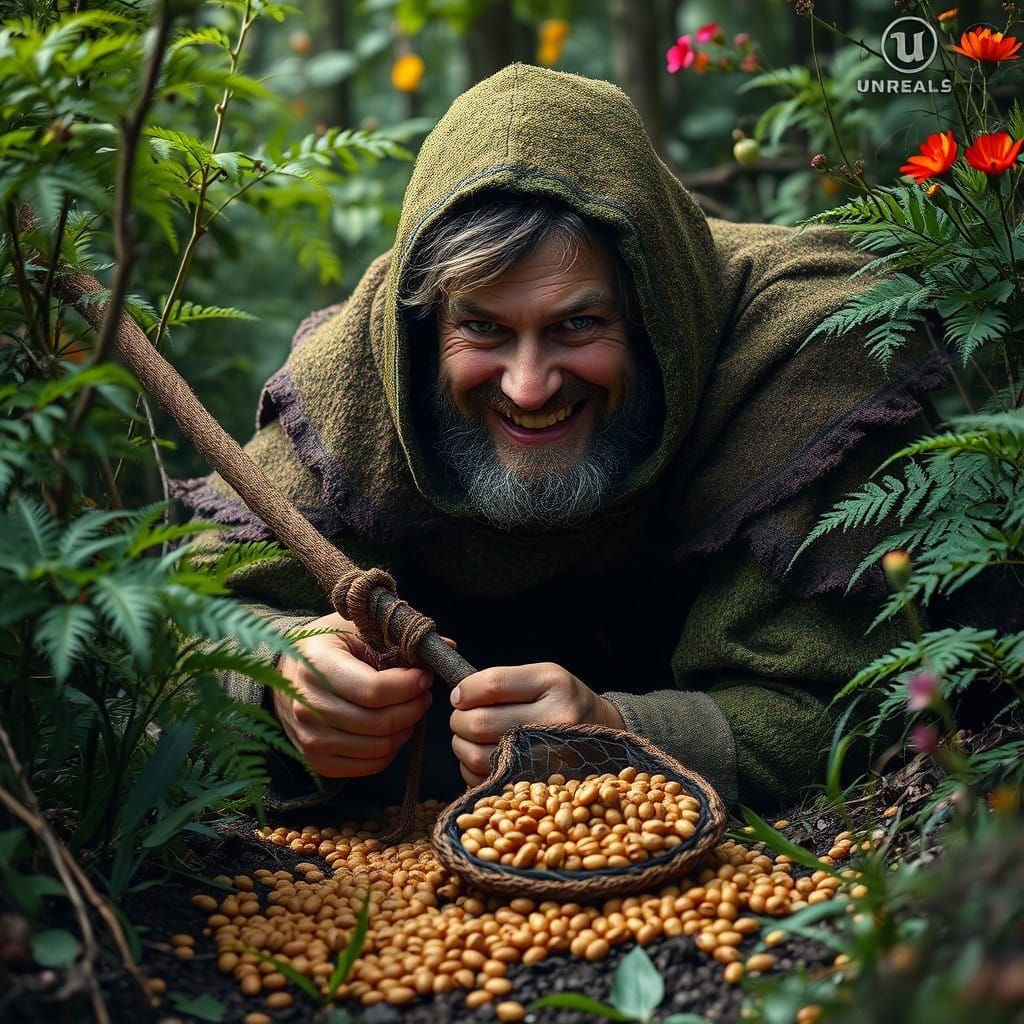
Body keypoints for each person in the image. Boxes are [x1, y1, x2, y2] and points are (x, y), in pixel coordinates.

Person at [174, 64, 948, 812]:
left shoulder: (797, 344)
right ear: (425, 326)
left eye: (578, 324)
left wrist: (625, 735)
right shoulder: (365, 373)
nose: (529, 386)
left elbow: (870, 694)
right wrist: (279, 673)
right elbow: (179, 623)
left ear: (653, 313)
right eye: (482, 328)